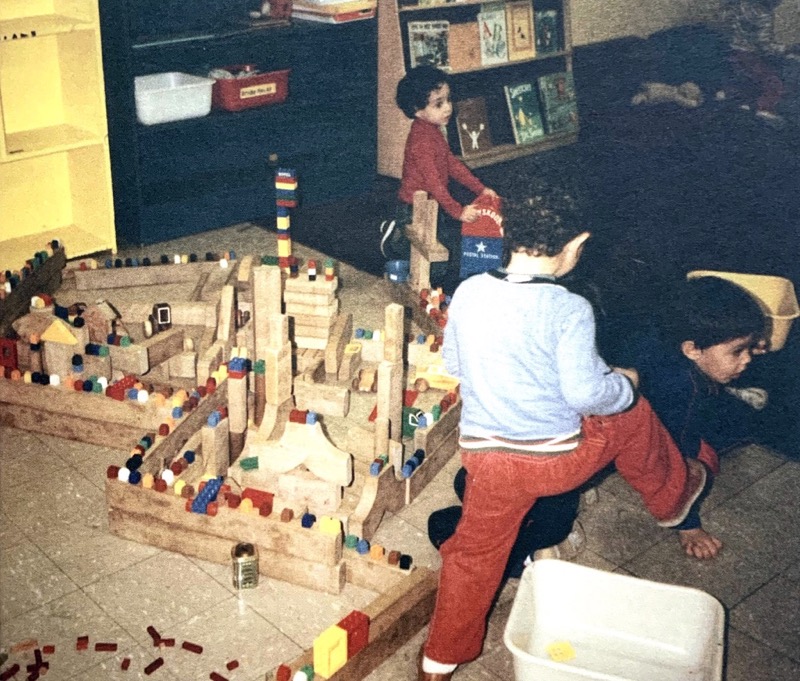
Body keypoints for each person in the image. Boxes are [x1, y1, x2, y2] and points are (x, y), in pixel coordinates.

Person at [417, 186, 709, 681]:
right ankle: (673, 500)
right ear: (576, 246)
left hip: (488, 463)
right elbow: (585, 396)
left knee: (473, 555)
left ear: (508, 235)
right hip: (553, 463)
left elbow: (454, 364)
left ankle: (437, 662)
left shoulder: (469, 292)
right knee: (632, 415)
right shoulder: (570, 309)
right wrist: (625, 384)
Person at [630, 275, 767, 559]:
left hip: (644, 396)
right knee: (705, 460)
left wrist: (744, 342)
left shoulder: (669, 336)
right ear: (692, 349)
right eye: (738, 351)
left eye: (749, 347)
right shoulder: (683, 393)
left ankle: (726, 389)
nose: (748, 358)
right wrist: (688, 524)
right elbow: (675, 461)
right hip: (652, 430)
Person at [380, 65, 498, 293]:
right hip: (415, 208)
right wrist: (459, 211)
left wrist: (480, 189)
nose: (448, 108)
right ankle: (396, 238)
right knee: (436, 257)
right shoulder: (422, 141)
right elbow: (435, 183)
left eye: (448, 100)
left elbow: (452, 165)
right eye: (438, 104)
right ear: (417, 110)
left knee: (442, 250)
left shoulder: (432, 130)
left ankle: (415, 261)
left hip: (434, 205)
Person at [721, 0, 790, 125]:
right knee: (772, 81)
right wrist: (786, 49)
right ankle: (764, 108)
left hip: (731, 50)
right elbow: (764, 44)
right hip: (750, 55)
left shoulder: (740, 6)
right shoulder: (763, 15)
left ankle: (741, 103)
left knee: (742, 78)